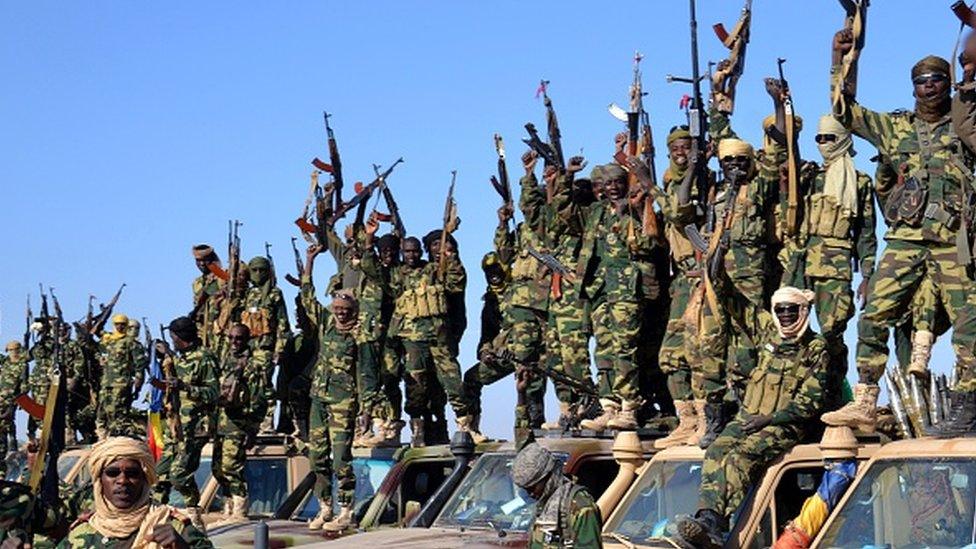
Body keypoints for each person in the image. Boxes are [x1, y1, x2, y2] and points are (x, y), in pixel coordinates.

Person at [822, 30, 976, 435]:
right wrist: (840, 59)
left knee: (969, 319)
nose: (929, 88)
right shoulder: (894, 128)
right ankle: (866, 402)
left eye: (937, 80)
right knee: (875, 312)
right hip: (906, 239)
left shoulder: (965, 125)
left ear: (947, 83)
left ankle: (967, 401)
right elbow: (845, 111)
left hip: (951, 241)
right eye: (922, 82)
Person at [673, 247, 830, 548]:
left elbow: (810, 402)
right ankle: (709, 520)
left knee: (743, 456)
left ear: (803, 312)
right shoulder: (768, 333)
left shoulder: (815, 349)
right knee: (717, 451)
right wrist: (716, 274)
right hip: (749, 418)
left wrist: (770, 418)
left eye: (791, 311)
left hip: (784, 426)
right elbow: (737, 305)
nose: (785, 317)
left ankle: (718, 524)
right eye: (780, 310)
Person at [574, 163, 658, 432]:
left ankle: (629, 406)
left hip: (626, 288)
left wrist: (628, 216)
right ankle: (608, 406)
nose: (612, 188)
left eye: (617, 183)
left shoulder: (637, 209)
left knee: (625, 347)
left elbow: (650, 245)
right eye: (607, 184)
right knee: (605, 350)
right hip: (600, 289)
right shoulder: (597, 212)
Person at [57, 436, 212, 548]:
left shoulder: (171, 526)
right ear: (100, 481)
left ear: (145, 479)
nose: (122, 481)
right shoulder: (81, 532)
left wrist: (182, 547)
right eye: (112, 473)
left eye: (132, 474)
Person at [301, 244, 360, 532]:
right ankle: (325, 507)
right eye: (336, 309)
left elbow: (368, 372)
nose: (340, 315)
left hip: (343, 401)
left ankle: (346, 509)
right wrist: (310, 262)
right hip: (319, 398)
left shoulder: (361, 335)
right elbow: (307, 297)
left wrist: (367, 408)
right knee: (317, 457)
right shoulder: (326, 325)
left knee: (341, 459)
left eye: (345, 311)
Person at [154, 317, 218, 530]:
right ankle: (156, 517)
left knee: (179, 475)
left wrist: (184, 386)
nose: (172, 341)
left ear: (182, 337)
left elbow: (213, 393)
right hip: (175, 426)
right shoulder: (179, 358)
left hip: (194, 427)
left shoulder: (204, 358)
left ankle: (195, 514)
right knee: (158, 475)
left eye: (174, 337)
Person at [212, 323, 268, 523]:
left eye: (239, 339)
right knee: (217, 469)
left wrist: (252, 429)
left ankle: (239, 510)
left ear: (247, 340)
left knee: (231, 466)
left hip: (238, 424)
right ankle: (228, 507)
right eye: (231, 338)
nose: (234, 342)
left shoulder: (251, 365)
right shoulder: (223, 360)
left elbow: (260, 399)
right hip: (220, 423)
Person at [512, 442, 602, 549]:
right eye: (525, 489)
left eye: (532, 488)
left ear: (549, 477)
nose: (530, 494)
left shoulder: (580, 507)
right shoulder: (543, 504)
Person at [239, 255, 290, 433]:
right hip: (247, 350)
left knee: (264, 384)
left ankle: (266, 421)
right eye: (255, 270)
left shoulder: (274, 294)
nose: (258, 273)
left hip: (265, 348)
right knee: (247, 385)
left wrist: (279, 349)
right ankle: (250, 420)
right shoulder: (247, 295)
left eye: (262, 270)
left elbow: (283, 324)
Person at [95, 314, 147, 440]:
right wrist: (99, 358)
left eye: (123, 325)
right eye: (117, 324)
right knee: (102, 411)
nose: (120, 327)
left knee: (118, 412)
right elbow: (94, 343)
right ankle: (102, 438)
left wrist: (138, 386)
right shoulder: (110, 341)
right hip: (106, 383)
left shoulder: (132, 344)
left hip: (121, 384)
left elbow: (140, 366)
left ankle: (118, 438)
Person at [190, 244, 224, 352]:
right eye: (198, 261)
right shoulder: (197, 283)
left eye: (205, 260)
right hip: (202, 331)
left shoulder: (221, 276)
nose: (201, 264)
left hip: (218, 328)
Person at [0, 343, 26, 478]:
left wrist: (15, 404)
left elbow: (23, 387)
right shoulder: (5, 363)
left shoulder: (22, 365)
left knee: (5, 435)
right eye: (9, 350)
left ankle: (3, 471)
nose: (12, 352)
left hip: (9, 404)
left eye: (14, 350)